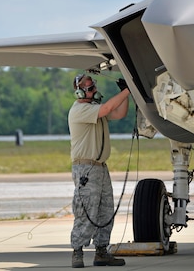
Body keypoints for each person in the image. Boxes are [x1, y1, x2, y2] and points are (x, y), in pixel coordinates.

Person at [68, 73, 131, 268]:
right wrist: (130, 89)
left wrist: (125, 94)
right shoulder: (81, 110)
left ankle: (101, 251)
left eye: (94, 86)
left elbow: (119, 113)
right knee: (86, 211)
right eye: (90, 88)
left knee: (105, 210)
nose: (95, 90)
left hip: (100, 168)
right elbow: (108, 108)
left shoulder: (94, 110)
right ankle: (77, 252)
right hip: (86, 168)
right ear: (80, 92)